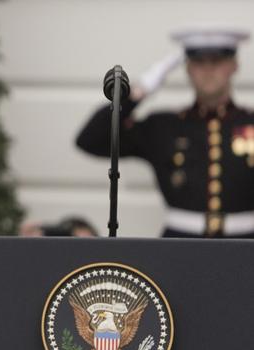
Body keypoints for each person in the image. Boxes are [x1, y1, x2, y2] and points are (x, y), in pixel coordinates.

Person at [76, 28, 254, 238]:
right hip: (180, 244)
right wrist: (138, 92)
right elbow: (91, 139)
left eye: (217, 61)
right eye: (199, 62)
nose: (208, 70)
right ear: (187, 68)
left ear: (234, 66)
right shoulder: (163, 126)